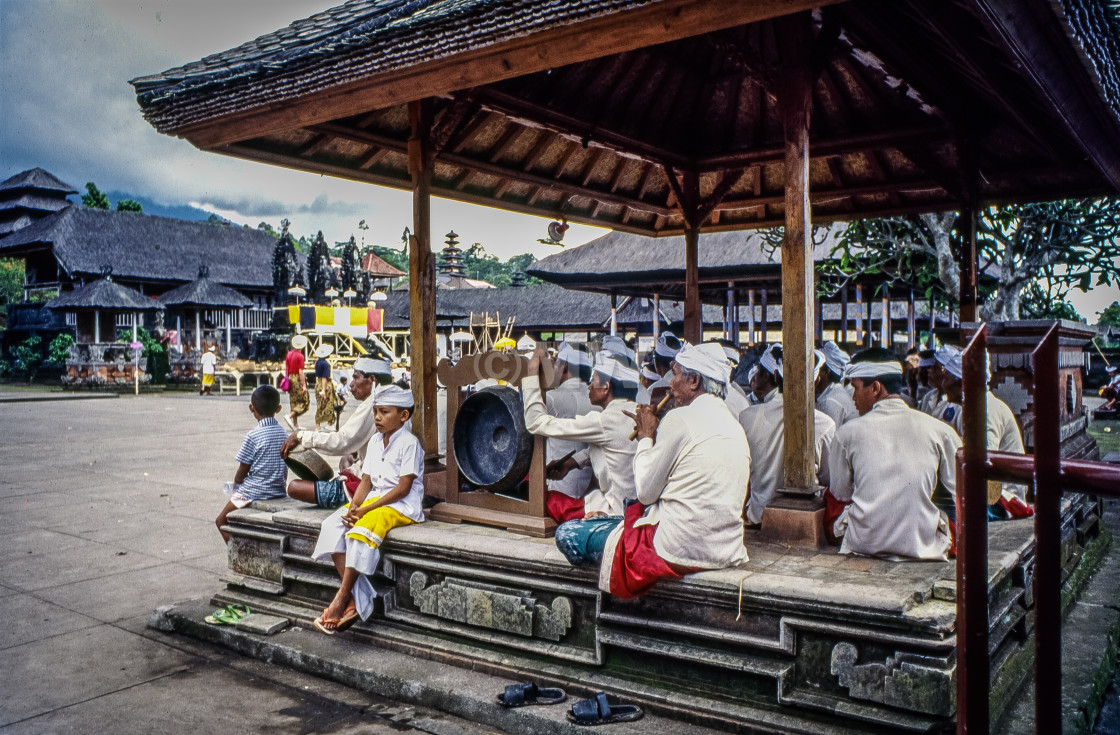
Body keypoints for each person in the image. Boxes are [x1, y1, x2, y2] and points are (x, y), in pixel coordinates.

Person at [566, 341, 750, 599]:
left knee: (568, 535)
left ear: (694, 381)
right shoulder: (735, 428)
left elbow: (645, 492)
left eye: (675, 375)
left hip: (679, 548)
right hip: (725, 549)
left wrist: (645, 436)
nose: (670, 384)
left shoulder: (680, 419)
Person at [827, 349, 962, 560]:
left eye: (855, 388)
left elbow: (840, 495)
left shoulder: (846, 434)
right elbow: (962, 493)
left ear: (875, 388)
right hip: (923, 545)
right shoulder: (941, 431)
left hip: (864, 543)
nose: (852, 397)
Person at [310, 385, 424, 634]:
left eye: (384, 412)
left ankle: (341, 598)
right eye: (375, 412)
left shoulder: (409, 444)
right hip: (373, 500)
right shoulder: (374, 441)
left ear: (403, 416)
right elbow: (366, 481)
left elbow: (403, 488)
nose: (377, 418)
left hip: (400, 505)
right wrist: (354, 507)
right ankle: (355, 599)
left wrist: (365, 511)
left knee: (360, 532)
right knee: (333, 525)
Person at [524, 348, 639, 522]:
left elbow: (535, 422)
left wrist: (532, 374)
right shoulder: (637, 412)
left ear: (606, 388)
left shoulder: (604, 420)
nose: (589, 385)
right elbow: (616, 447)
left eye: (594, 380)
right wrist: (571, 463)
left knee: (542, 497)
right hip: (635, 508)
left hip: (614, 512)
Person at [739, 349, 836, 527]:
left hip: (758, 519)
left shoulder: (747, 417)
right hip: (803, 525)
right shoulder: (825, 425)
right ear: (816, 380)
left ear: (775, 375)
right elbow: (828, 478)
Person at [283, 356, 393, 509]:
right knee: (347, 458)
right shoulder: (391, 399)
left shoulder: (374, 404)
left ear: (372, 379)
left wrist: (301, 436)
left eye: (356, 378)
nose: (351, 385)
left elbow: (342, 441)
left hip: (373, 486)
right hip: (378, 478)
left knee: (294, 487)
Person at [939, 350, 1032, 515]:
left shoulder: (986, 411)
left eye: (947, 378)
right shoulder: (972, 407)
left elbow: (984, 468)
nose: (942, 384)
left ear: (962, 384)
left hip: (1004, 499)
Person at [215, 385, 289, 542]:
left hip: (252, 492)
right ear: (278, 408)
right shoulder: (283, 433)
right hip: (278, 490)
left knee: (221, 520)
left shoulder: (252, 436)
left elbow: (243, 469)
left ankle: (237, 555)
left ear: (251, 408)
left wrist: (237, 487)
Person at [538, 343, 600, 522]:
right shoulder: (597, 401)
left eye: (557, 362)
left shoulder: (552, 399)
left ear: (564, 366)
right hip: (589, 494)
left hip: (560, 494)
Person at [816, 342, 858, 428]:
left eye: (817, 369)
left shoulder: (829, 400)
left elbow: (829, 437)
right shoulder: (834, 391)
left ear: (827, 372)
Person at [285, 335, 310, 429]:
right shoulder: (300, 356)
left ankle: (295, 424)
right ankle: (290, 416)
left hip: (290, 377)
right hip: (297, 379)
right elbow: (301, 372)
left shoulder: (289, 354)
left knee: (294, 401)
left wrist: (287, 379)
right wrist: (304, 385)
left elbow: (287, 368)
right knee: (304, 401)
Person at [314, 343, 337, 431]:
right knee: (329, 404)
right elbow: (324, 378)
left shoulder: (318, 362)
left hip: (318, 383)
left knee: (320, 405)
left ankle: (318, 426)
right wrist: (323, 390)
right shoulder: (326, 364)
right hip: (325, 385)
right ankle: (329, 423)